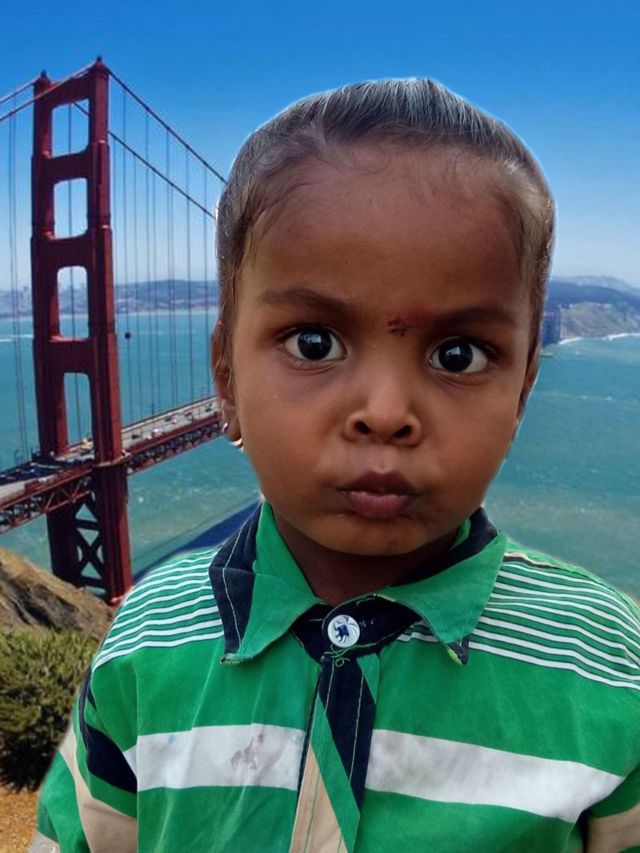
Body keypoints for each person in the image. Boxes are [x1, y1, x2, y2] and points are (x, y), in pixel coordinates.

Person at [33, 79, 640, 853]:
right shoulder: (146, 641)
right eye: (313, 342)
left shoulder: (609, 662)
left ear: (522, 390)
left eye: (458, 354)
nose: (385, 411)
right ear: (225, 377)